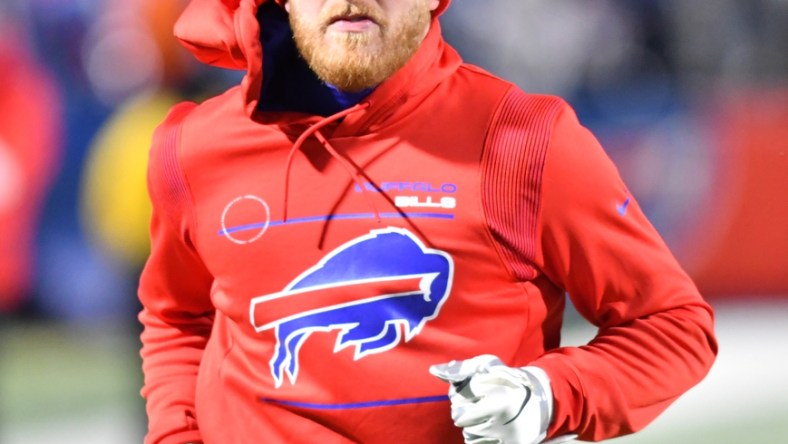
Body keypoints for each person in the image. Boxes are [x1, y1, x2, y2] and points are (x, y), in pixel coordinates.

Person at [137, 1, 718, 443]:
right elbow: (177, 317)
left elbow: (674, 326)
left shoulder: (524, 141)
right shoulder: (191, 150)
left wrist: (547, 394)